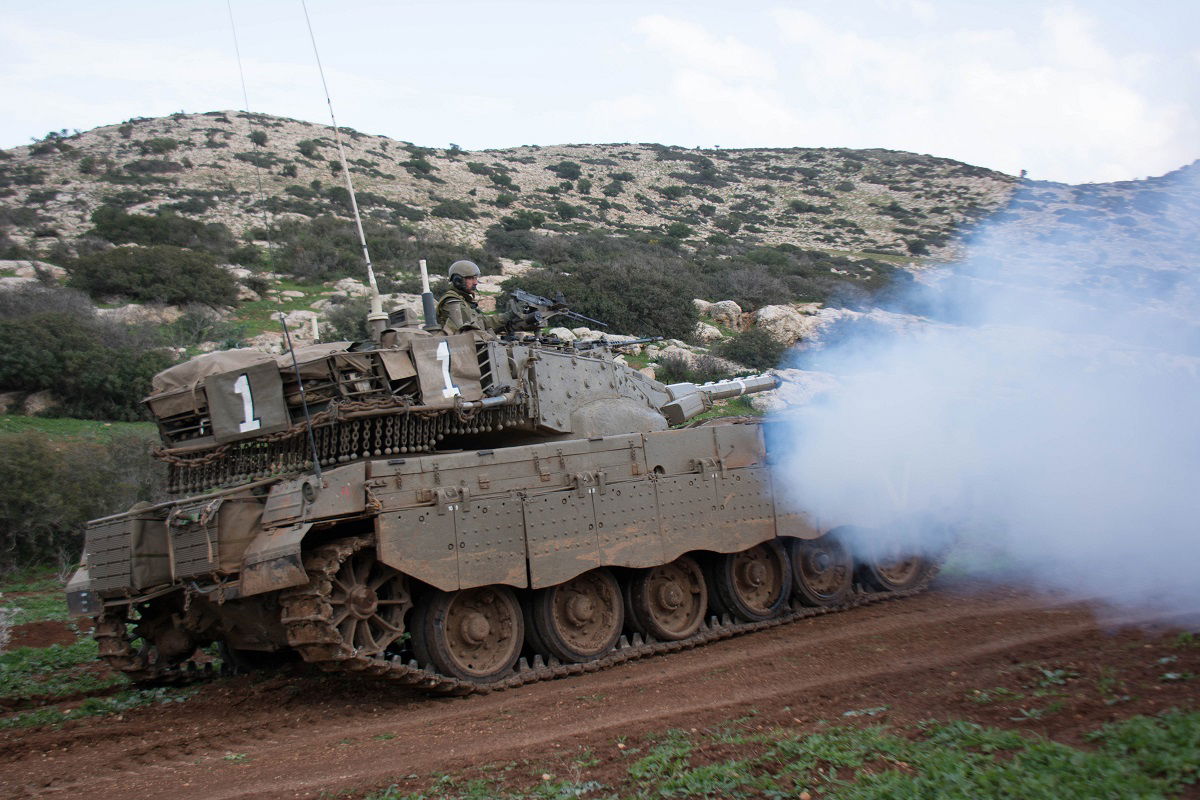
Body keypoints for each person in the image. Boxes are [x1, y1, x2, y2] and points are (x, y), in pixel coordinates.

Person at [436, 260, 536, 335]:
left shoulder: (463, 300)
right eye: (471, 278)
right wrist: (508, 315)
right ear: (458, 280)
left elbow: (484, 325)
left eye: (475, 278)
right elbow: (478, 325)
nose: (475, 282)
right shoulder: (451, 302)